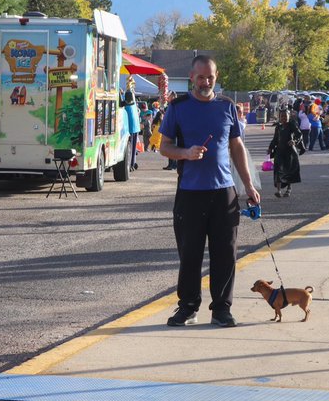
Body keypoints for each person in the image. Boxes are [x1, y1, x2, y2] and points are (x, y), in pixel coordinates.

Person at [158, 54, 261, 328]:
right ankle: (188, 307)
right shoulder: (178, 108)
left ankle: (221, 309)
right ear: (192, 77)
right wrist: (186, 153)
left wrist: (248, 185)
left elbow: (236, 147)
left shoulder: (226, 107)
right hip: (190, 193)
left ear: (216, 78)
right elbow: (164, 146)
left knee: (225, 254)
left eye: (210, 77)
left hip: (223, 192)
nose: (205, 82)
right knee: (190, 254)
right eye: (201, 77)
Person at [268, 108, 303, 198]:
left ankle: (288, 189)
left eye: (285, 116)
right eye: (282, 116)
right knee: (278, 170)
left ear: (289, 116)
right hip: (279, 151)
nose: (283, 118)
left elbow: (299, 134)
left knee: (289, 171)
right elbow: (275, 139)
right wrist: (270, 148)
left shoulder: (292, 125)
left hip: (290, 151)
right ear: (279, 117)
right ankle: (278, 191)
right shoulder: (278, 127)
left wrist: (294, 141)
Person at [120, 77, 140, 171]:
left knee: (130, 147)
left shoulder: (127, 94)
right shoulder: (130, 94)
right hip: (133, 124)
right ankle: (132, 163)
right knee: (132, 146)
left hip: (130, 125)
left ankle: (131, 164)